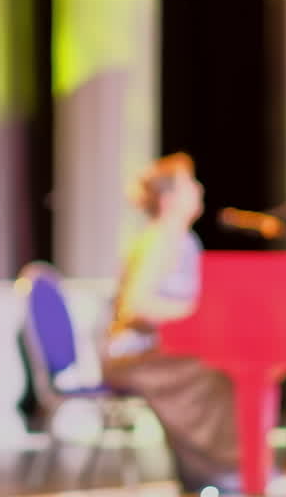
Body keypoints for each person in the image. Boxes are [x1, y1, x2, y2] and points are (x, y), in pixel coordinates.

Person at [101, 153, 240, 494]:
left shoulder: (181, 239)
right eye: (189, 184)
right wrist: (192, 315)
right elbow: (137, 305)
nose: (199, 189)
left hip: (155, 350)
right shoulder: (162, 239)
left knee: (226, 364)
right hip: (133, 356)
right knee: (215, 371)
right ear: (168, 200)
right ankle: (220, 472)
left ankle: (216, 471)